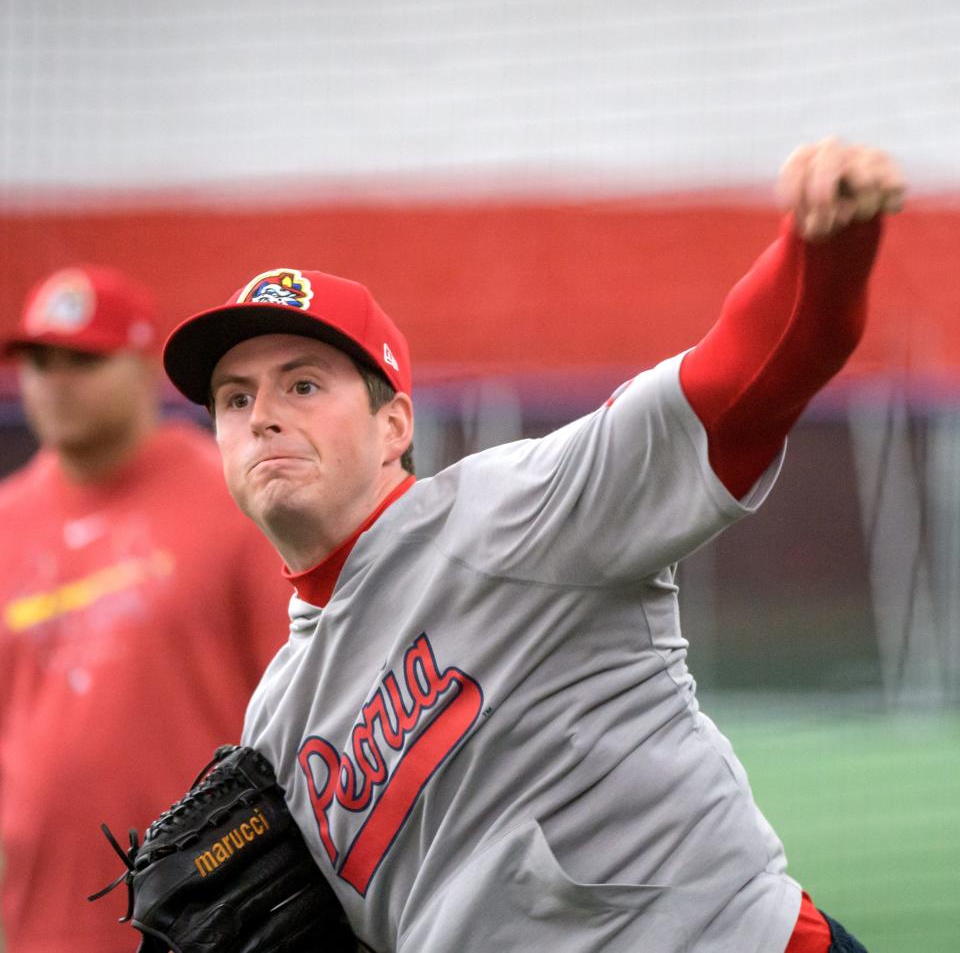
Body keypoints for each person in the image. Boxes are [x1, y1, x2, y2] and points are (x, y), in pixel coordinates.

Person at [160, 137, 904, 953]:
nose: (263, 414)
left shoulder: (513, 513)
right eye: (235, 399)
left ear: (392, 427)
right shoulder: (277, 723)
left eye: (302, 384)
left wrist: (826, 249)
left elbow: (737, 387)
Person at [0, 264, 291, 953]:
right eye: (39, 361)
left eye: (83, 360)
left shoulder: (231, 498)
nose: (55, 382)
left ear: (139, 368)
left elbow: (298, 707)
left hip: (208, 913)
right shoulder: (6, 520)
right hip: (42, 915)